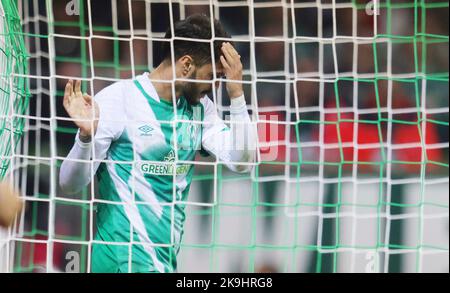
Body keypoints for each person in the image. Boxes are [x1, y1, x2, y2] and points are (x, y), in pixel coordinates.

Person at [59, 14, 256, 273]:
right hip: (120, 261)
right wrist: (85, 139)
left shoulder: (201, 111)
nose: (216, 85)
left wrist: (237, 94)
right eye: (212, 76)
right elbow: (69, 184)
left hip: (162, 263)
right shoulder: (119, 100)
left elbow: (242, 162)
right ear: (186, 65)